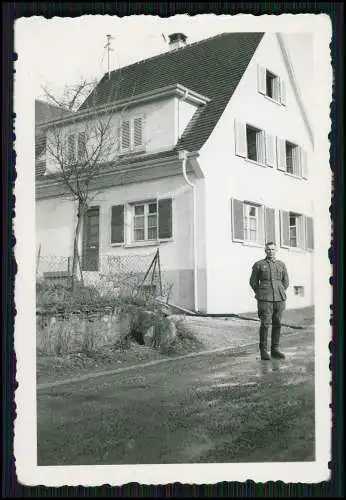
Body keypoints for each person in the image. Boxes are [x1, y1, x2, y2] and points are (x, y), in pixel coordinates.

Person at [249, 242, 289, 361]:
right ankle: (263, 350)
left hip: (279, 298)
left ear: (276, 250)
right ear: (265, 251)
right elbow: (253, 282)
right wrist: (261, 293)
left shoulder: (281, 265)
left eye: (273, 249)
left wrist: (279, 290)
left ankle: (275, 349)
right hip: (265, 299)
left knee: (277, 323)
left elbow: (286, 282)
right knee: (265, 324)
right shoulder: (259, 264)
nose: (271, 251)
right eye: (268, 249)